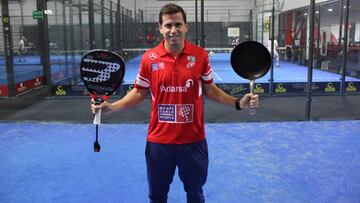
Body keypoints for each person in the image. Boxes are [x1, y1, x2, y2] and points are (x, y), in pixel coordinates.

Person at [91, 3, 259, 203]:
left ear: (186, 26)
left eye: (178, 24)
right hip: (159, 142)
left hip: (193, 141)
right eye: (168, 25)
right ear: (160, 28)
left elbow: (209, 89)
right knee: (157, 197)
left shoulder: (200, 56)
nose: (174, 30)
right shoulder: (149, 59)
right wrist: (112, 107)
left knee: (195, 195)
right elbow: (138, 92)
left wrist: (239, 103)